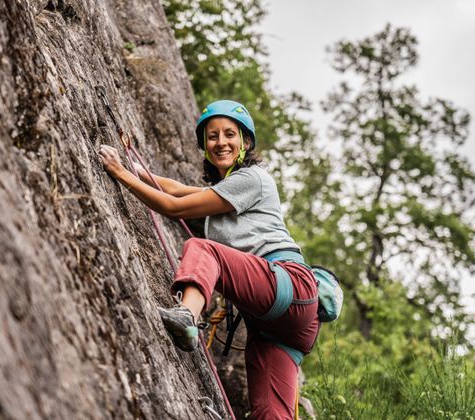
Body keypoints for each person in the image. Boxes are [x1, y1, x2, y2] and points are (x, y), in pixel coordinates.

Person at [99, 100, 319, 419]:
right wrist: (134, 166)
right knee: (271, 413)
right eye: (212, 136)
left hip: (289, 286)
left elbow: (173, 207)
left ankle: (187, 317)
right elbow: (176, 190)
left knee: (203, 249)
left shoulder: (252, 179)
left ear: (246, 142)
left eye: (230, 134)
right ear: (204, 146)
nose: (220, 142)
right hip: (283, 324)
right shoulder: (229, 190)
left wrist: (120, 173)